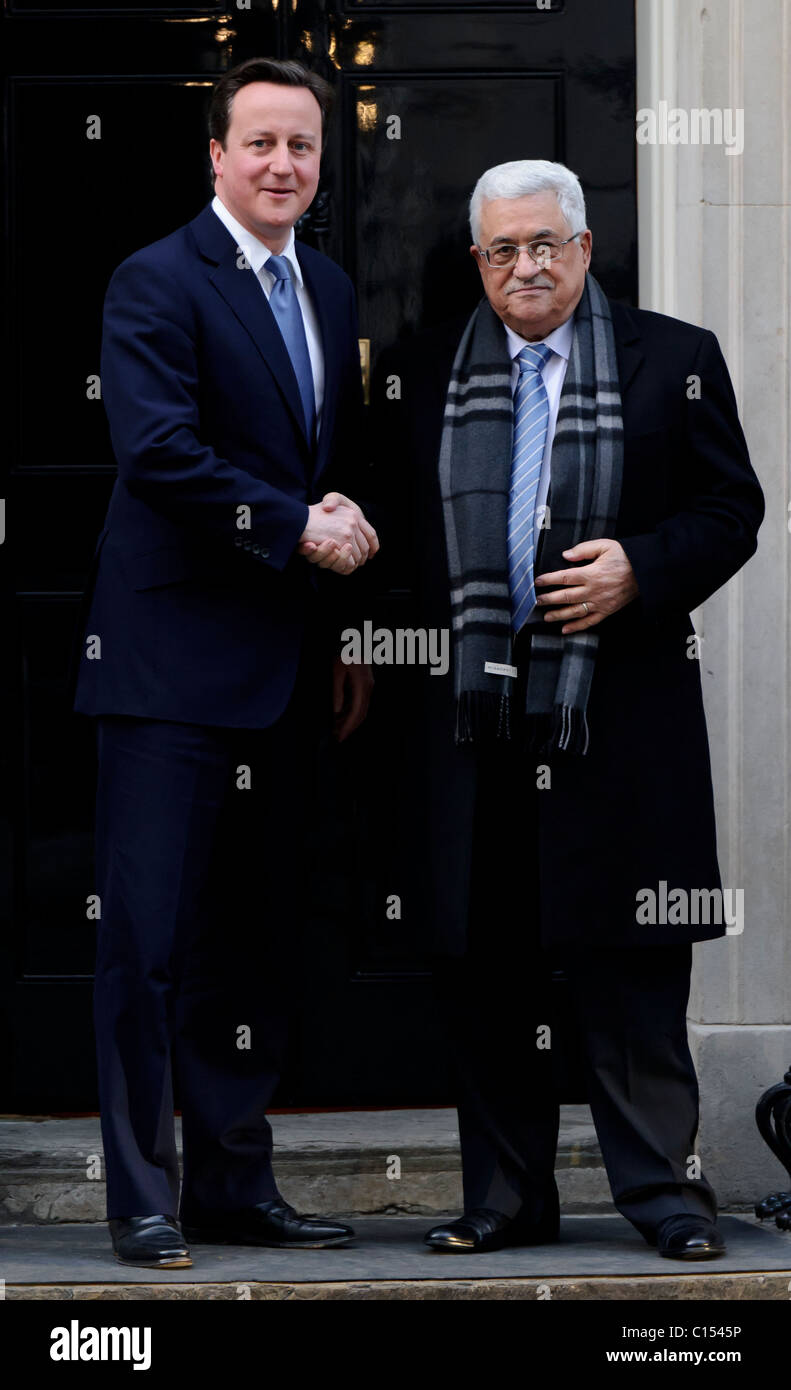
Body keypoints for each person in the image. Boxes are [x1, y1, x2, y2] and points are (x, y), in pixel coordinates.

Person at [380, 159, 764, 1260]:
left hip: (616, 720)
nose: (526, 265)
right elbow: (399, 543)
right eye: (502, 250)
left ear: (584, 248)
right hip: (476, 727)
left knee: (630, 961)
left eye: (544, 243)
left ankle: (663, 1196)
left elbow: (730, 508)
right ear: (478, 264)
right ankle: (505, 1197)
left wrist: (639, 567)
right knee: (485, 964)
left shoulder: (673, 359)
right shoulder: (425, 375)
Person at [72, 56, 378, 1269]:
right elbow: (159, 453)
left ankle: (234, 1185)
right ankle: (141, 1194)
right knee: (145, 942)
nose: (281, 166)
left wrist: (342, 612)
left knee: (248, 941)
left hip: (284, 666)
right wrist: (295, 524)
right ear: (215, 154)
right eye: (258, 144)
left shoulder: (333, 288)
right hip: (164, 668)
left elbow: (322, 464)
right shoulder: (154, 279)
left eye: (301, 147)